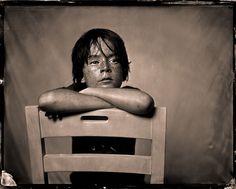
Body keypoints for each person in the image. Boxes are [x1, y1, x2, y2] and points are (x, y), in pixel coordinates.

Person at [38, 28, 155, 184]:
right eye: (94, 61)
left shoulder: (128, 93)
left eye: (114, 60)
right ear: (81, 72)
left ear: (124, 68)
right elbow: (48, 100)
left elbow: (144, 102)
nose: (105, 67)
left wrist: (90, 91)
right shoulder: (75, 92)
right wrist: (114, 103)